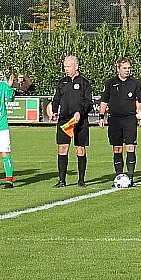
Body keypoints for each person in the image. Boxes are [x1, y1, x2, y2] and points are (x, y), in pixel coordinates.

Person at [99, 57, 141, 184]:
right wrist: (101, 116)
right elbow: (104, 100)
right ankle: (119, 176)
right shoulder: (110, 83)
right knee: (117, 148)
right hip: (114, 120)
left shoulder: (135, 83)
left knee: (130, 147)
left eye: (129, 68)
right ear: (118, 69)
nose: (127, 70)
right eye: (124, 68)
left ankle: (130, 176)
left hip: (129, 119)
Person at [49, 55, 93, 188]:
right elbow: (56, 99)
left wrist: (80, 112)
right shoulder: (62, 82)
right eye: (65, 67)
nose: (66, 69)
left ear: (76, 66)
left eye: (68, 66)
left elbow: (89, 102)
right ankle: (62, 180)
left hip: (80, 121)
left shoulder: (85, 83)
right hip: (64, 120)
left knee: (80, 149)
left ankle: (81, 180)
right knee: (62, 148)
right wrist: (54, 111)